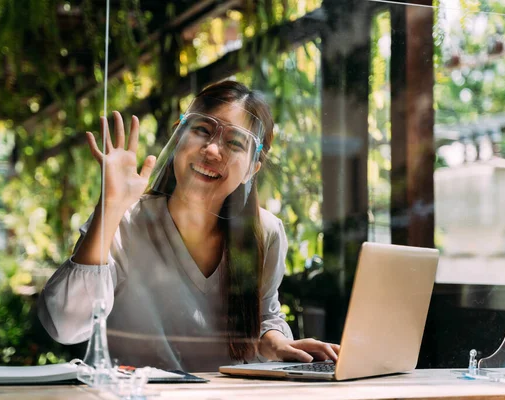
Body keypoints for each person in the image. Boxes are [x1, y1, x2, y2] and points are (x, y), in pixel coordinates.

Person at [38, 80, 339, 372]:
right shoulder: (123, 220)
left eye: (234, 142)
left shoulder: (266, 232)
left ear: (252, 168)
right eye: (202, 130)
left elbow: (263, 317)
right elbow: (66, 326)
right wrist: (110, 206)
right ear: (178, 137)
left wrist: (275, 343)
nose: (212, 150)